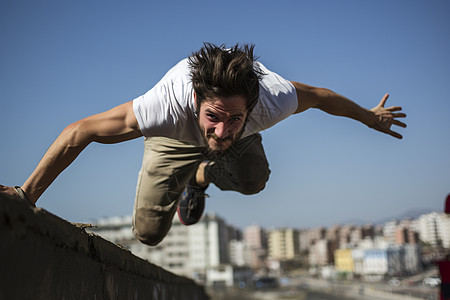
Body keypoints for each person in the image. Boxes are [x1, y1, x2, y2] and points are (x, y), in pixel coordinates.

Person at [0, 43, 406, 246]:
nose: (222, 130)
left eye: (235, 118)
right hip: (172, 140)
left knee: (254, 179)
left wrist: (369, 118)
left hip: (234, 140)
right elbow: (79, 131)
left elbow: (320, 96)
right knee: (147, 234)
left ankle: (200, 176)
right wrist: (25, 193)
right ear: (196, 100)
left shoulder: (274, 99)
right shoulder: (163, 107)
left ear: (252, 107)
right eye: (214, 116)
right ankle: (186, 167)